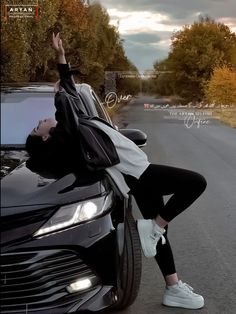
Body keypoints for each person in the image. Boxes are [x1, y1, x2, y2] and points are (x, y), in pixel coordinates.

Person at [25, 33, 207, 310]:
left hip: (139, 171)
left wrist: (61, 57)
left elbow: (71, 95)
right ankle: (155, 228)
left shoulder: (77, 123)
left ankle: (173, 287)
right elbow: (66, 106)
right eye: (38, 127)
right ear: (48, 138)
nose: (40, 121)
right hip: (137, 173)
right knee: (195, 183)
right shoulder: (69, 135)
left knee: (158, 235)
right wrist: (59, 92)